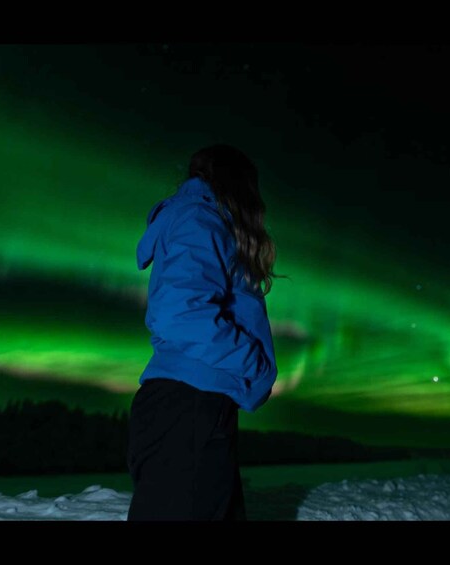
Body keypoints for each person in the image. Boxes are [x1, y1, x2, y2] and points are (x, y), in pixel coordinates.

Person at [127, 144, 279, 521]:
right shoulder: (199, 217)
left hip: (198, 407)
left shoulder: (200, 219)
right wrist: (255, 365)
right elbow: (181, 314)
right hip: (190, 408)